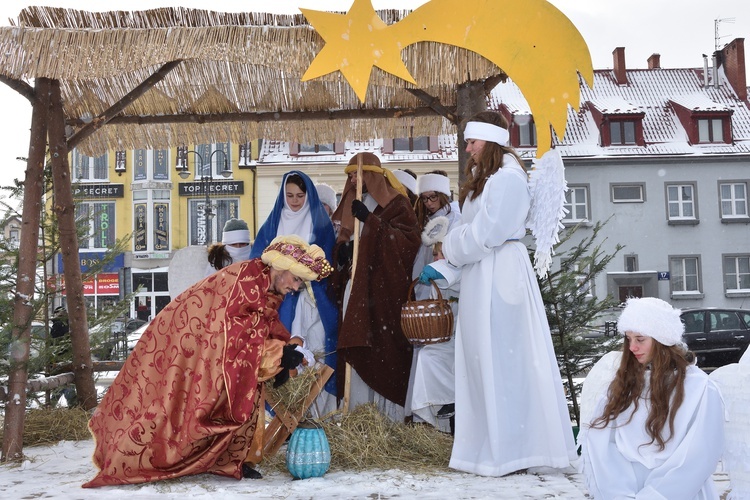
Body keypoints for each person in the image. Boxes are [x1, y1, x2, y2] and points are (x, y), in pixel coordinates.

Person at [83, 236, 333, 487]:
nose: (297, 287)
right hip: (188, 343)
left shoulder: (261, 282)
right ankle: (140, 454)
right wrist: (279, 354)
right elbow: (236, 341)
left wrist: (284, 346)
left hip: (199, 341)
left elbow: (260, 324)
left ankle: (230, 459)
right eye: (297, 279)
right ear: (281, 267)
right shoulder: (247, 283)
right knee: (172, 407)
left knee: (236, 390)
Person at [424, 111, 576, 476]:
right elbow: (473, 230)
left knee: (506, 362)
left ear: (489, 141)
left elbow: (488, 233)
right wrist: (451, 253)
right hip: (484, 272)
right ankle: (492, 448)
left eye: (472, 141)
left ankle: (517, 451)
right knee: (484, 361)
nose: (468, 148)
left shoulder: (507, 179)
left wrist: (451, 245)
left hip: (501, 272)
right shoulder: (488, 178)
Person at [581, 297, 725, 499]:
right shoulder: (623, 385)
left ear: (662, 340)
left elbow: (700, 454)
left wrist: (656, 495)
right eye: (628, 339)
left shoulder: (700, 389)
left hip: (680, 493)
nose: (632, 347)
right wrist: (620, 493)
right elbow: (604, 443)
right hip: (626, 490)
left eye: (640, 339)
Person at [331, 152, 421, 421]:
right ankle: (357, 412)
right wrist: (343, 252)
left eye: (357, 174)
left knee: (382, 349)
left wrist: (371, 221)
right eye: (349, 175)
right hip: (356, 291)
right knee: (357, 344)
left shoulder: (397, 205)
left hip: (383, 293)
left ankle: (385, 416)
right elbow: (345, 240)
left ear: (372, 175)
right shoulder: (351, 204)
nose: (352, 179)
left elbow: (407, 245)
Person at [250, 171, 338, 416]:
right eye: (289, 195)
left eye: (300, 195)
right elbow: (258, 259)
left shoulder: (320, 223)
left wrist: (307, 279)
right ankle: (280, 412)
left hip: (312, 298)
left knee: (316, 347)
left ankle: (317, 413)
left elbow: (326, 263)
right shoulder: (273, 222)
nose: (295, 201)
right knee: (280, 346)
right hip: (278, 301)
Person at [408, 217, 459, 434]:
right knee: (428, 355)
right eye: (434, 255)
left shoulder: (462, 269)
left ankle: (453, 399)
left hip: (468, 339)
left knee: (458, 365)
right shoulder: (438, 279)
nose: (436, 259)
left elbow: (456, 279)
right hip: (449, 338)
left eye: (440, 254)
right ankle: (447, 401)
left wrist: (442, 274)